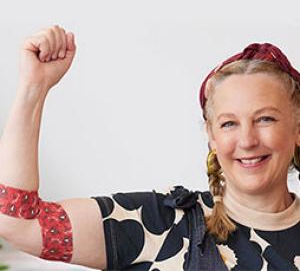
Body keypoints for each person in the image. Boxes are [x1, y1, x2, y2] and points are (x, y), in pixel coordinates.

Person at [0, 26, 299, 271]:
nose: (247, 140)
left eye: (265, 119)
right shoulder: (156, 223)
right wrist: (33, 89)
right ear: (211, 135)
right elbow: (20, 224)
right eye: (229, 124)